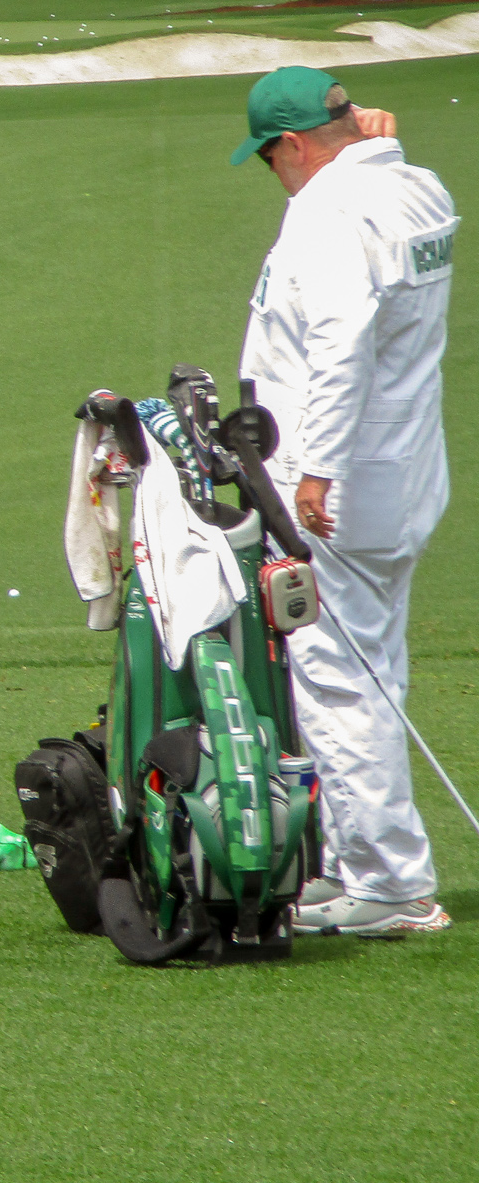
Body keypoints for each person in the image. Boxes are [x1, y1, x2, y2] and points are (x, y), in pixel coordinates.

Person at [231, 67, 456, 936]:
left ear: (293, 146)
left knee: (336, 680)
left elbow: (341, 347)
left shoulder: (328, 217)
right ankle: (351, 859)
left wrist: (314, 472)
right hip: (404, 472)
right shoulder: (414, 186)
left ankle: (390, 884)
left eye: (271, 158)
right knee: (368, 672)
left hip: (343, 486)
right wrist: (375, 143)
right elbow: (386, 182)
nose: (274, 175)